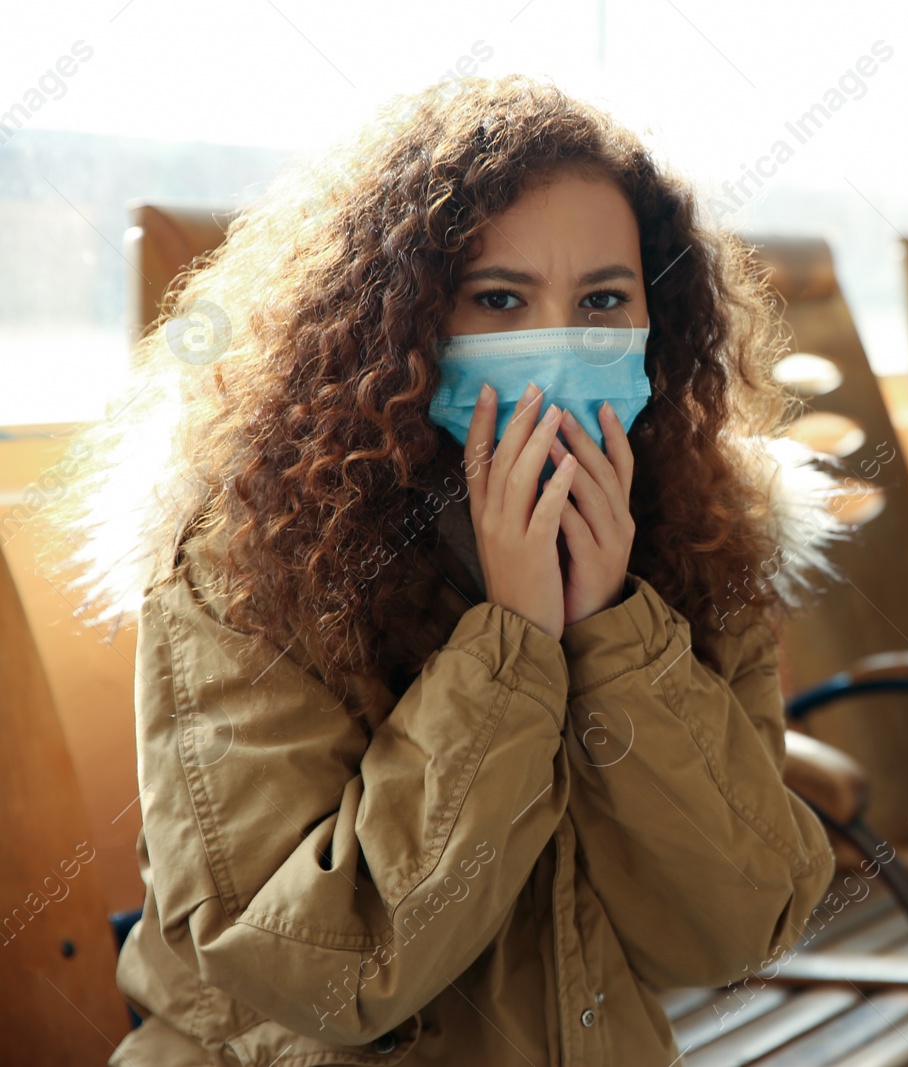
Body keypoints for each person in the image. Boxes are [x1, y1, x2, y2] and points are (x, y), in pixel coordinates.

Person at [52, 76, 842, 1066]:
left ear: (658, 319)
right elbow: (319, 968)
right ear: (406, 318)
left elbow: (739, 924)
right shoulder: (252, 557)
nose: (554, 348)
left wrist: (613, 635)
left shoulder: (691, 533)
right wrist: (511, 646)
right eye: (499, 299)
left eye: (602, 299)